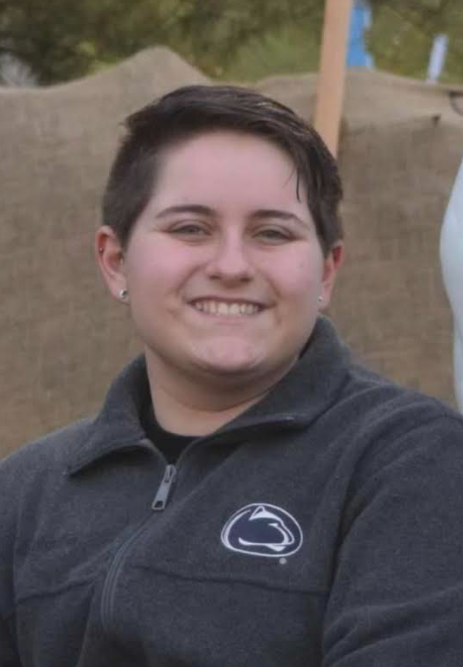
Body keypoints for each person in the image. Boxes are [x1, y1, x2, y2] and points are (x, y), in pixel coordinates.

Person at [1, 85, 463, 667]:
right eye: (190, 228)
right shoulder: (25, 491)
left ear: (326, 272)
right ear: (115, 262)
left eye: (272, 233)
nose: (231, 266)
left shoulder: (412, 464)